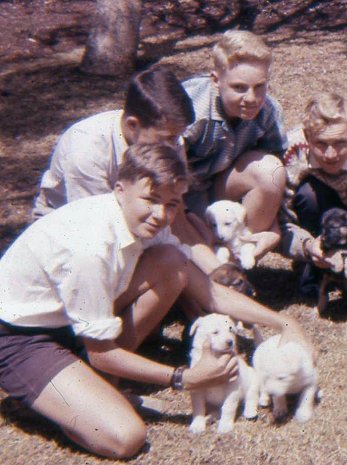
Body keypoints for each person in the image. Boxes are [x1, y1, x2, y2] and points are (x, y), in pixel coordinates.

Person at [0, 143, 311, 458]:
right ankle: (49, 402)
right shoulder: (90, 248)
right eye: (150, 199)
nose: (161, 214)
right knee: (125, 437)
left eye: (172, 204)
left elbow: (209, 292)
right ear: (120, 190)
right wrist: (183, 378)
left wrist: (283, 322)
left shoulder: (147, 223)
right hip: (19, 336)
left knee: (173, 262)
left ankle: (83, 387)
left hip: (70, 316)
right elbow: (103, 355)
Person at [33, 64, 194, 218]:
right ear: (133, 125)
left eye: (176, 138)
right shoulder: (88, 149)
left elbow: (175, 205)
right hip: (76, 224)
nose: (174, 147)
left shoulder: (170, 141)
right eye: (166, 138)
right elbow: (96, 221)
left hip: (145, 217)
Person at [181, 29, 287, 259]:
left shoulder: (268, 111)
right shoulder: (189, 107)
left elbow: (280, 179)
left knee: (272, 170)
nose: (252, 98)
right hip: (182, 192)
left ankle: (241, 257)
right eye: (239, 88)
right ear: (216, 80)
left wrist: (276, 228)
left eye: (259, 86)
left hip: (221, 184)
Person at [278, 92, 347, 294]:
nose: (331, 154)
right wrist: (307, 246)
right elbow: (280, 224)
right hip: (315, 214)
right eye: (321, 144)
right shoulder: (291, 151)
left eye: (340, 143)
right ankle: (312, 266)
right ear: (306, 135)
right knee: (308, 194)